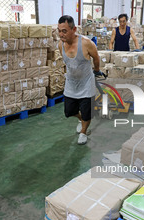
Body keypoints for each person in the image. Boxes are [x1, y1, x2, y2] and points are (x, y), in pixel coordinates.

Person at [58, 15, 102, 145]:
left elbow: (96, 57)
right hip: (71, 83)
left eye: (64, 31)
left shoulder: (86, 43)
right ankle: (81, 119)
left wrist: (96, 70)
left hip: (86, 83)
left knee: (87, 112)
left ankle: (83, 132)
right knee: (69, 111)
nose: (61, 34)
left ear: (74, 29)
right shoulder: (60, 45)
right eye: (59, 30)